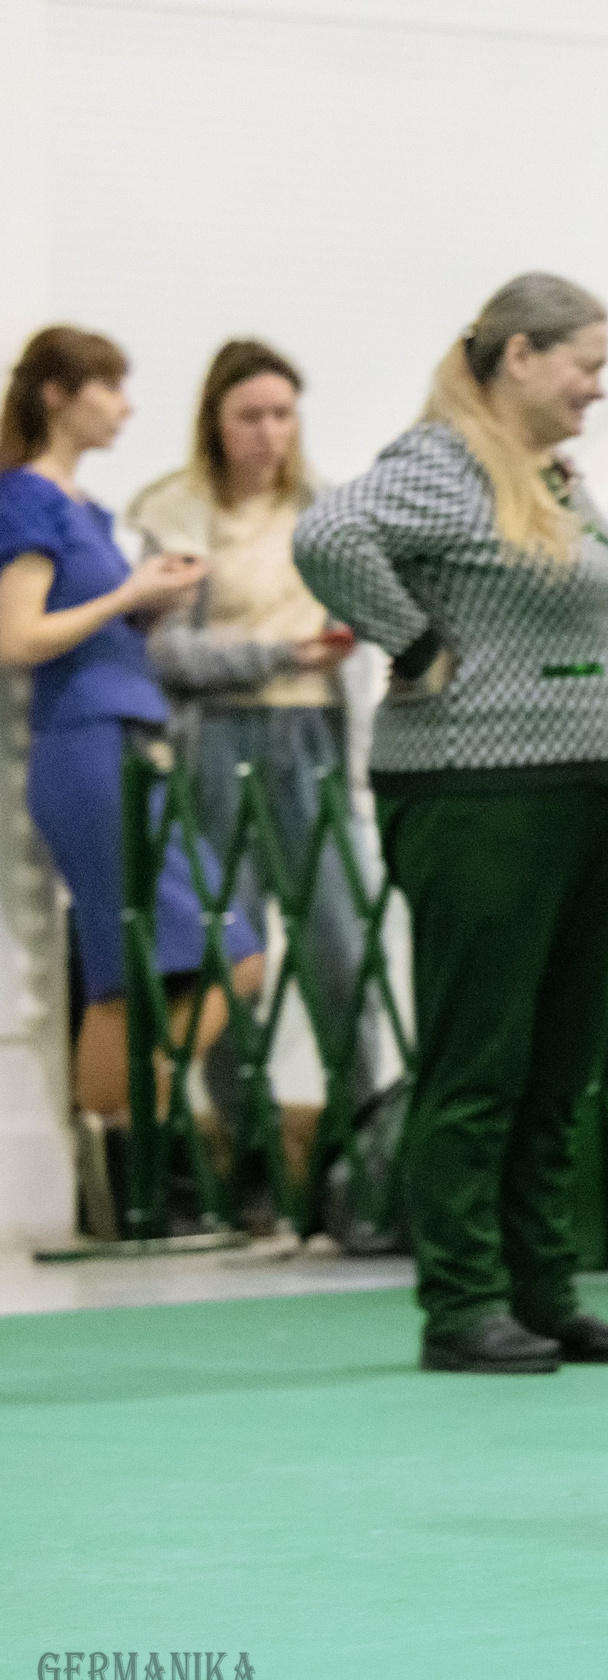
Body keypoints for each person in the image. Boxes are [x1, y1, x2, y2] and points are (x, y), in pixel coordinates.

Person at [295, 274, 608, 1375]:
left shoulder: (545, 474)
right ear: (518, 356)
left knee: (559, 1058)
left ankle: (543, 1289)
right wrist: (414, 646)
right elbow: (329, 534)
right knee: (481, 1056)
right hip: (480, 792)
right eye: (585, 364)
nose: (597, 387)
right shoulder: (443, 460)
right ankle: (462, 1300)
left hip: (587, 787)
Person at [0, 327, 263, 1147]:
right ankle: (130, 1129)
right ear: (57, 395)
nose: (126, 407)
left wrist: (148, 606)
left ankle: (114, 1146)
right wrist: (128, 597)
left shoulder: (81, 508)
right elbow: (19, 637)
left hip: (127, 735)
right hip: (89, 743)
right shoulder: (28, 499)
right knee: (207, 960)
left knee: (155, 969)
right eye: (109, 387)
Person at [129, 340, 380, 1146]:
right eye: (250, 416)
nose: (270, 433)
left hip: (315, 737)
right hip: (217, 741)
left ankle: (360, 1136)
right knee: (232, 953)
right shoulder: (176, 514)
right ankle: (249, 1144)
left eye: (282, 414)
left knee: (342, 946)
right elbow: (166, 652)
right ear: (216, 421)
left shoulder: (328, 510)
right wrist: (276, 654)